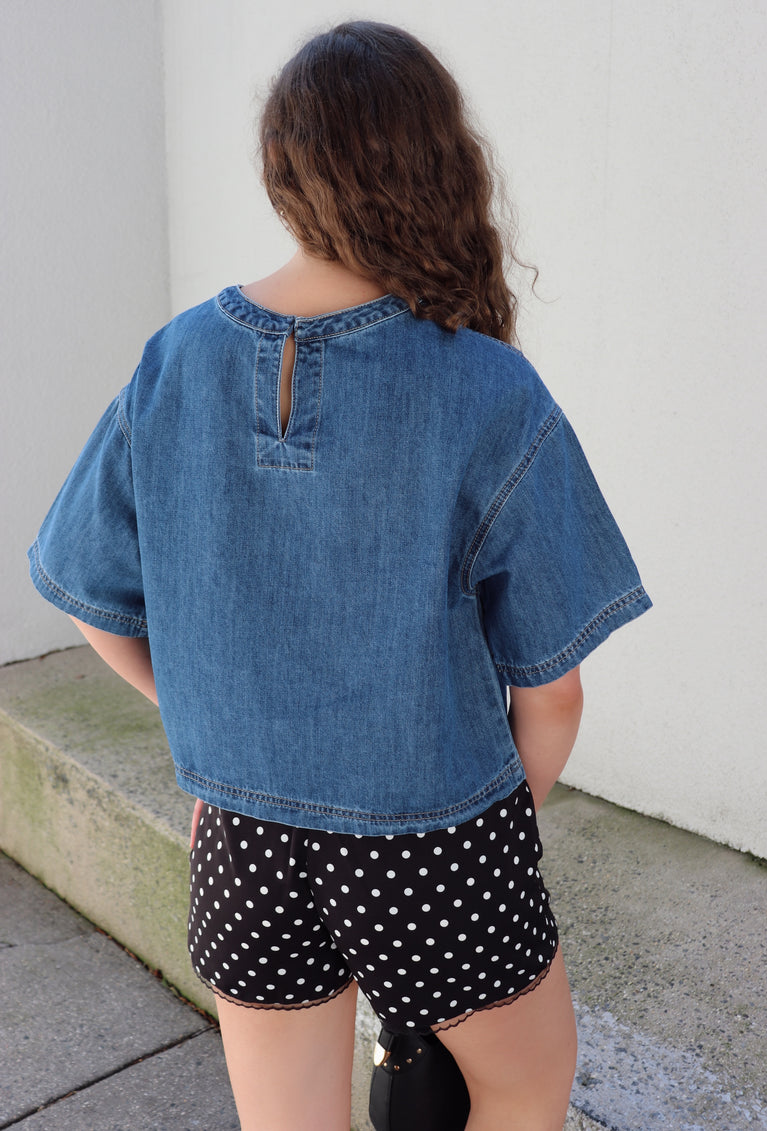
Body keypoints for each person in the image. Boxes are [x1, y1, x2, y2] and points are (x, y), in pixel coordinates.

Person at [27, 21, 651, 1131]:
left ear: (281, 173)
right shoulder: (484, 387)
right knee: (520, 1089)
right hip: (438, 842)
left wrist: (222, 729)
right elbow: (552, 691)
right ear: (438, 164)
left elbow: (88, 598)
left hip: (241, 836)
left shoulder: (172, 360)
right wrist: (493, 833)